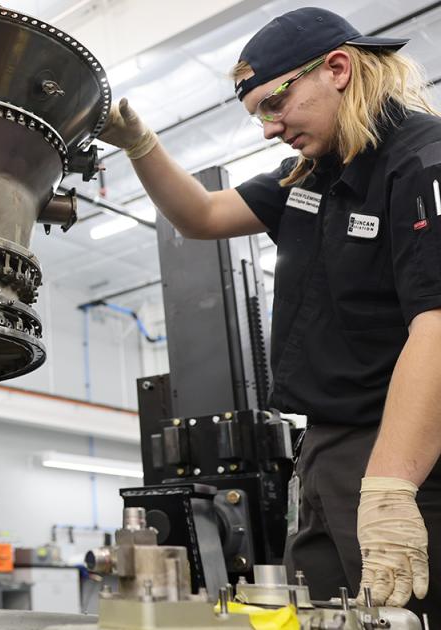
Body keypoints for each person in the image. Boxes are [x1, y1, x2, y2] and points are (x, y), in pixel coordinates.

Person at [96, 6, 441, 614]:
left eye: (273, 105)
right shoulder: (313, 173)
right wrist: (140, 146)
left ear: (336, 68)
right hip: (326, 453)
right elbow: (201, 217)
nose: (268, 129)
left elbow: (437, 329)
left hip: (403, 454)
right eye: (257, 114)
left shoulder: (421, 162)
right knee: (322, 615)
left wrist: (391, 489)